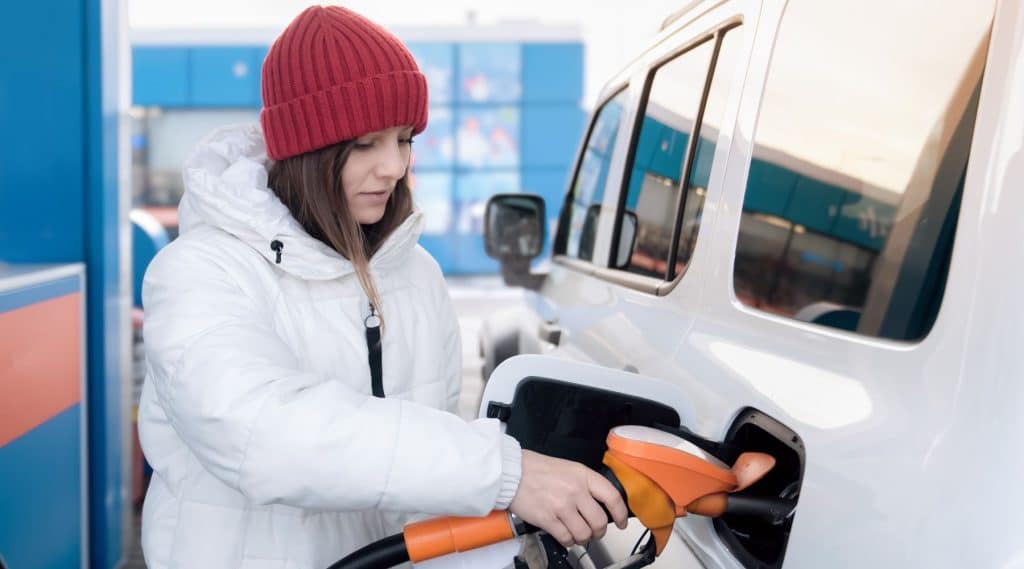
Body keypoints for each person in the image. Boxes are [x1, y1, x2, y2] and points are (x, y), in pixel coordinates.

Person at [137, 5, 627, 568]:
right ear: (306, 151)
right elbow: (259, 431)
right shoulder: (202, 271)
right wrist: (501, 473)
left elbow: (423, 473)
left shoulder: (416, 274)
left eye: (404, 138)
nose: (394, 166)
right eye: (367, 143)